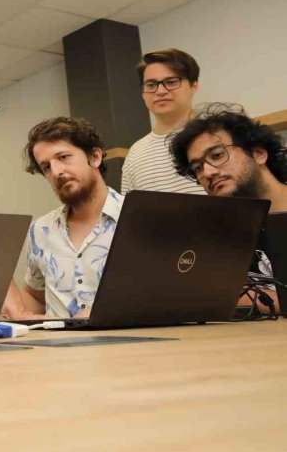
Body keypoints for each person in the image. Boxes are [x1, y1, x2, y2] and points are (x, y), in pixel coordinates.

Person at [170, 104, 287, 313]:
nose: (207, 172)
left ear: (259, 153)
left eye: (216, 155)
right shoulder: (221, 235)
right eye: (197, 168)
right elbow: (207, 297)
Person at [4, 117, 123, 319]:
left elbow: (159, 293)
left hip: (129, 346)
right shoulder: (40, 230)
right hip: (58, 347)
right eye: (46, 167)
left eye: (63, 157)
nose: (56, 171)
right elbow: (37, 297)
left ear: (94, 157)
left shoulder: (135, 218)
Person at [121, 49, 206, 195]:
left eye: (171, 82)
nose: (160, 91)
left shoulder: (217, 137)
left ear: (194, 86)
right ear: (143, 93)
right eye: (151, 85)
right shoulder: (135, 154)